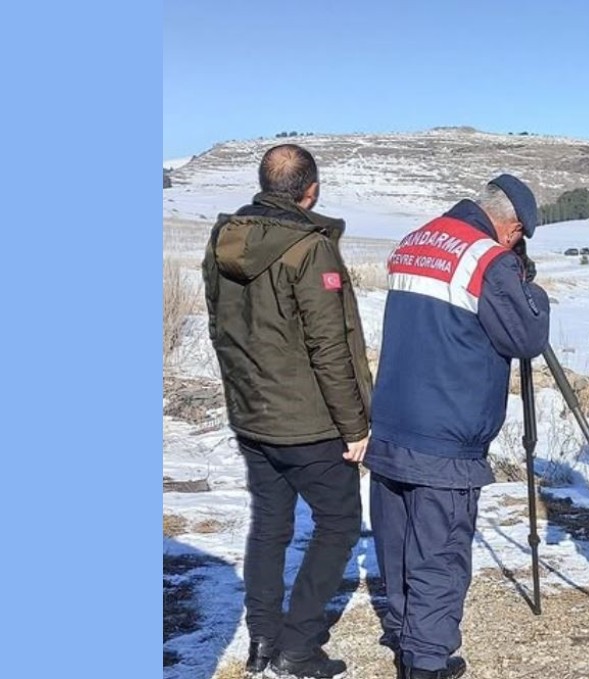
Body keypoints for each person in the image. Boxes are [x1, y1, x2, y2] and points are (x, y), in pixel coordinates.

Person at [365, 174, 550, 679]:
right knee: (439, 557)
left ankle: (410, 641)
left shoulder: (417, 240)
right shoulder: (486, 260)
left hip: (392, 423)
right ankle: (425, 663)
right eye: (516, 238)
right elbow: (528, 335)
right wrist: (526, 283)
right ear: (510, 228)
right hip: (446, 434)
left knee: (398, 547)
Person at [201, 144, 373, 679]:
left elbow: (221, 327)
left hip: (252, 412)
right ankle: (296, 646)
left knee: (270, 526)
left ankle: (262, 641)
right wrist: (355, 426)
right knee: (341, 522)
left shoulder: (223, 239)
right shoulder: (308, 248)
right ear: (311, 190)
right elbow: (330, 345)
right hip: (307, 421)